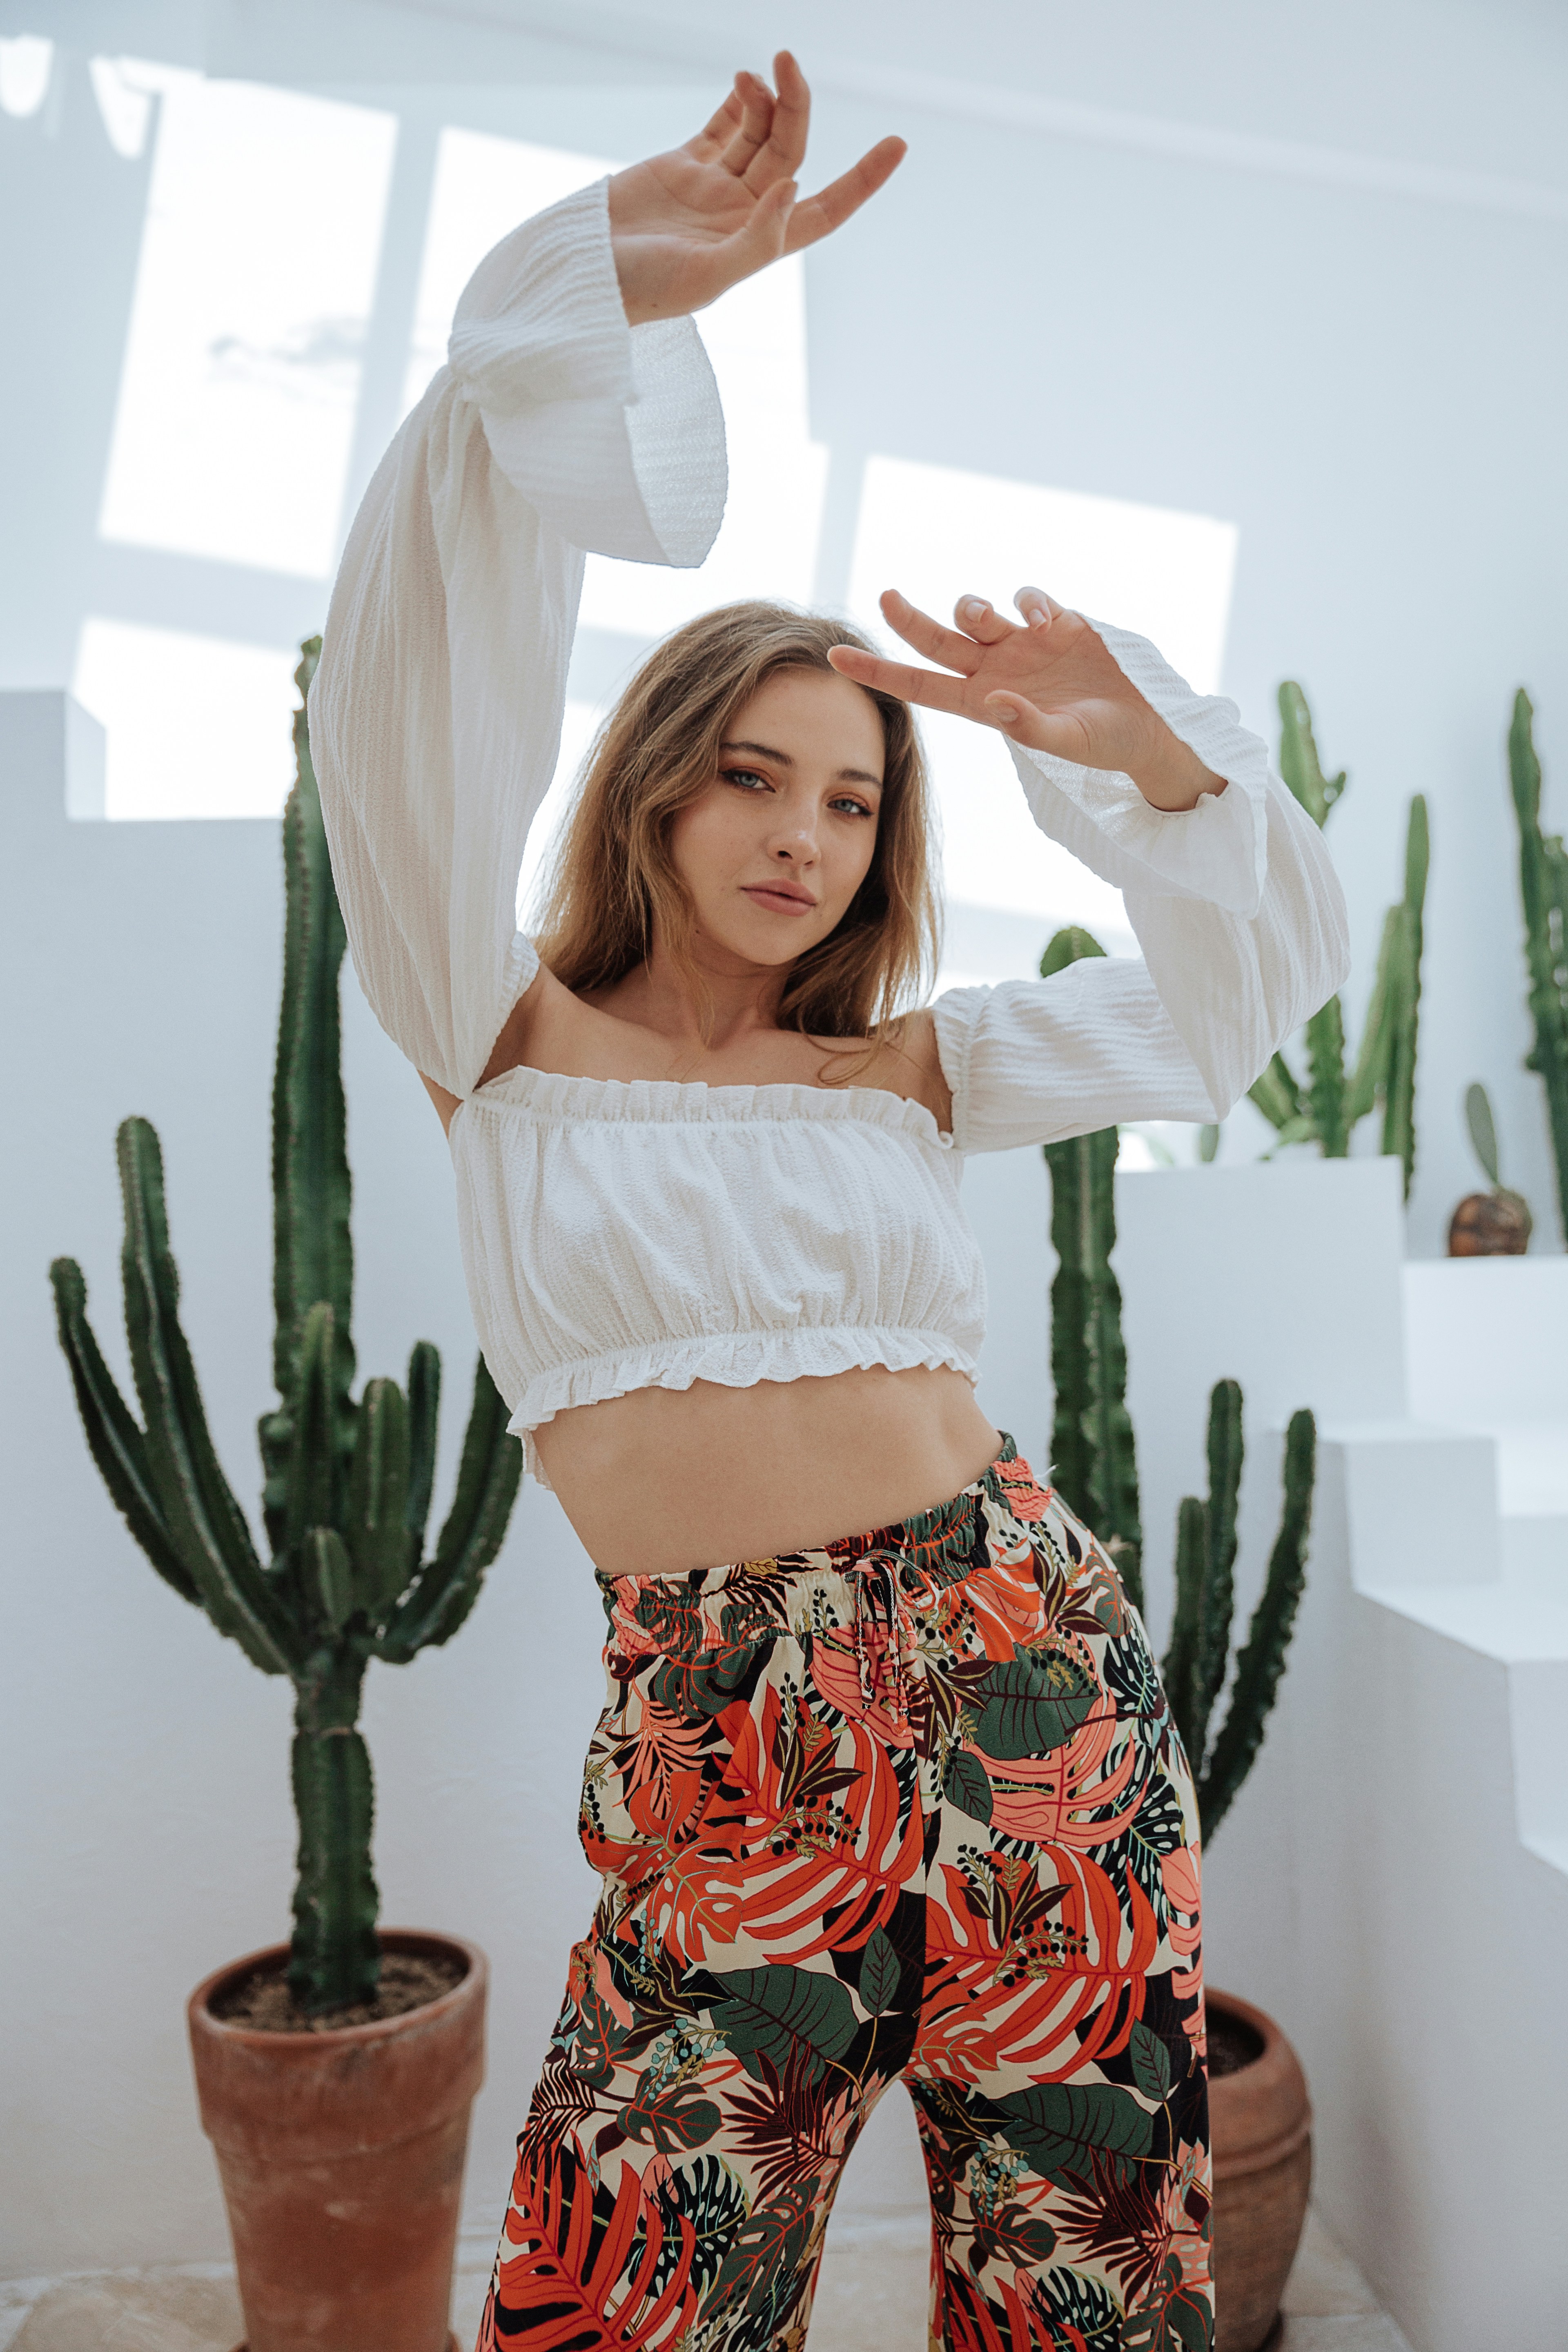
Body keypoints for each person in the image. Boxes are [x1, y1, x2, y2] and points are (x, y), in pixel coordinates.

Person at [312, 51, 1347, 2352]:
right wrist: (584, 295)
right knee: (626, 2305)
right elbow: (398, 701)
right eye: (753, 778)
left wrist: (1145, 757)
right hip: (719, 1740)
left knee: (1084, 2303)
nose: (804, 837)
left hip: (1028, 1678)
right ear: (655, 792)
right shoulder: (495, 1034)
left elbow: (1237, 1008)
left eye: (858, 801)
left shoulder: (910, 1066)